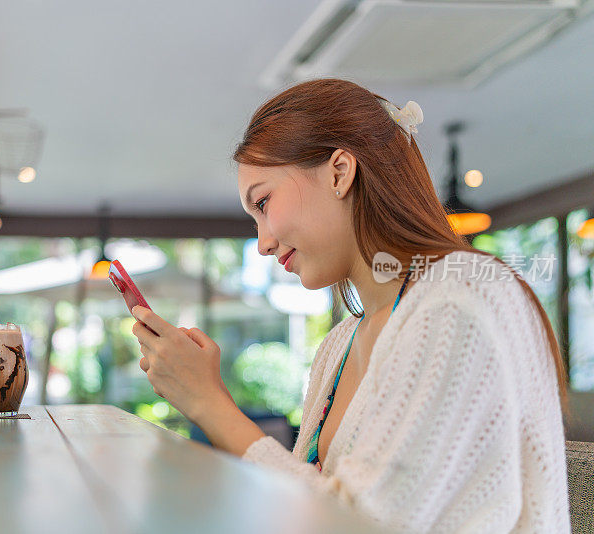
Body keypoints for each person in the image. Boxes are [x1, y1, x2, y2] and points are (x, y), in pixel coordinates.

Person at [129, 79, 570, 533]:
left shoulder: (461, 299)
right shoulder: (339, 345)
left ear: (340, 172)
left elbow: (361, 523)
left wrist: (208, 402)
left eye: (263, 202)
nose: (261, 243)